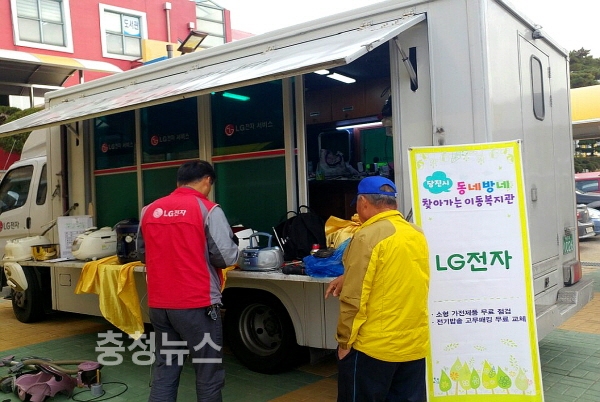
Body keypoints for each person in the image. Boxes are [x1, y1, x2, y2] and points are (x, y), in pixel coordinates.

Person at [139, 160, 239, 402]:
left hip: (160, 305)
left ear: (178, 182)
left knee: (166, 368)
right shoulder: (208, 209)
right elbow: (226, 257)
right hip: (197, 304)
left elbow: (142, 253)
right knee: (207, 371)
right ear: (207, 180)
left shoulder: (149, 210)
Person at [325, 176, 430, 402]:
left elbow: (355, 297)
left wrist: (344, 343)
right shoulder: (416, 233)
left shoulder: (367, 236)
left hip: (374, 348)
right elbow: (396, 274)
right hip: (413, 345)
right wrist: (347, 276)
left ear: (363, 202)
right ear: (394, 203)